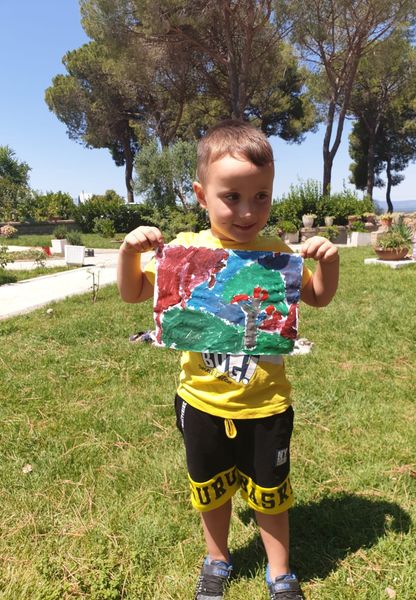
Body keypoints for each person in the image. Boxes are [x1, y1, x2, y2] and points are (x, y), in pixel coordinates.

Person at [117, 120, 339, 600]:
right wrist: (129, 252)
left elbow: (317, 298)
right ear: (201, 195)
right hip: (201, 402)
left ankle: (280, 571)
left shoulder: (276, 253)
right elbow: (133, 292)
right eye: (231, 197)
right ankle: (217, 558)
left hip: (267, 405)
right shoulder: (185, 251)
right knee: (209, 488)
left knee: (271, 492)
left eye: (261, 196)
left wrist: (329, 262)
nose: (247, 211)